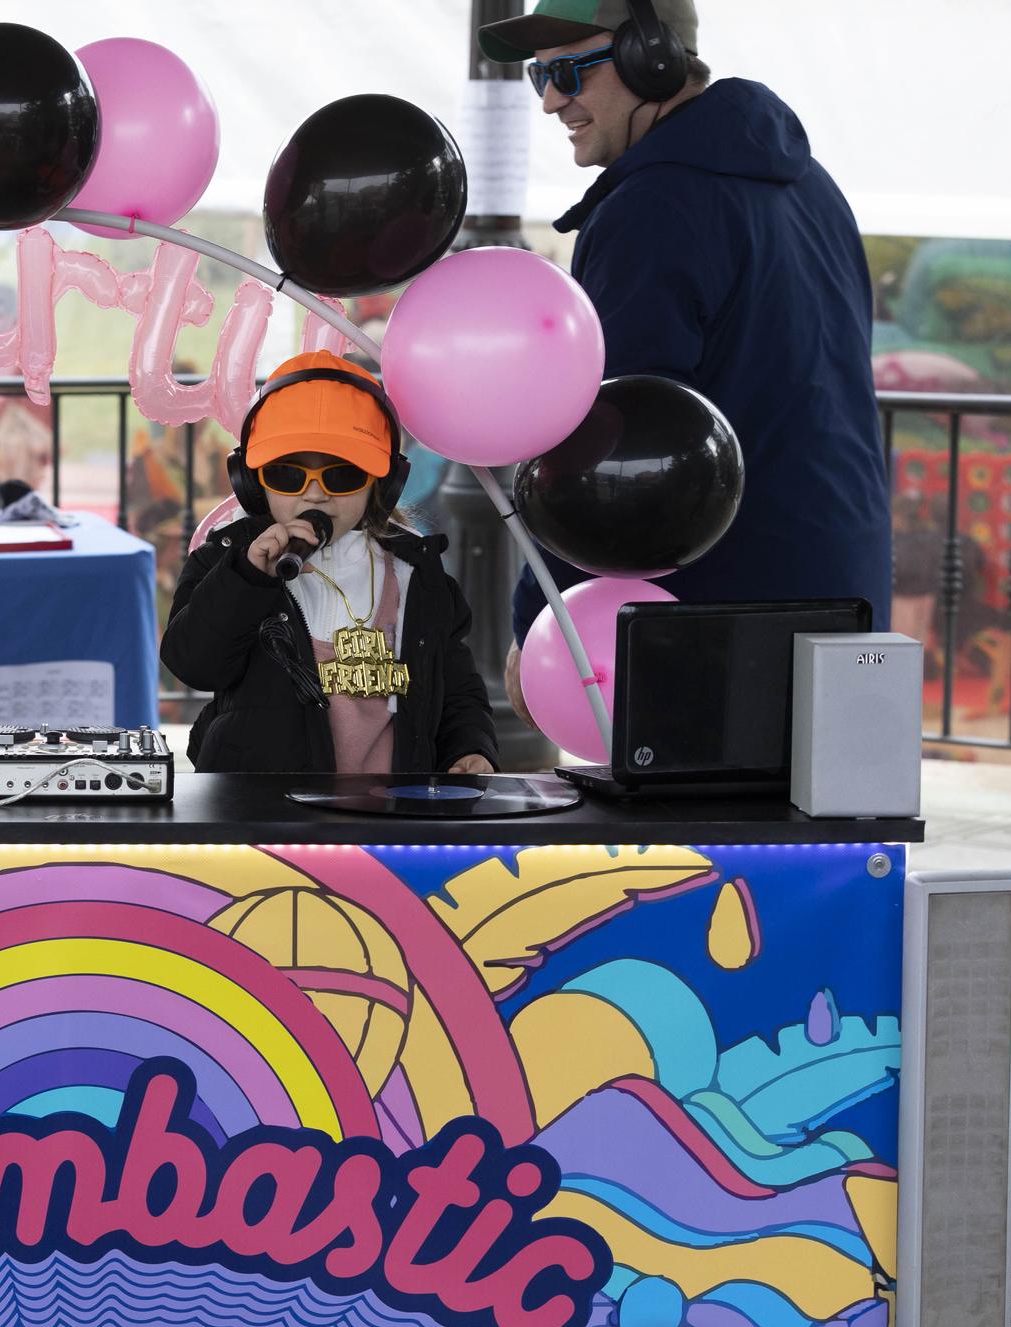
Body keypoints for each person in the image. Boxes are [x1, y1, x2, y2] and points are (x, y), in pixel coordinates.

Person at [480, 0, 892, 714]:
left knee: (686, 831)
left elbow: (608, 452)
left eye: (571, 71)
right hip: (844, 596)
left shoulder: (653, 208)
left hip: (713, 625)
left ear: (653, 57)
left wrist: (544, 617)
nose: (551, 101)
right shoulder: (814, 189)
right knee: (826, 826)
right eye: (537, 77)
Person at [161, 351, 498, 775]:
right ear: (251, 482)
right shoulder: (227, 562)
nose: (315, 494)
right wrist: (246, 580)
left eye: (342, 476)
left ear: (384, 485)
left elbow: (456, 689)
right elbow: (194, 663)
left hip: (390, 816)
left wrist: (469, 748)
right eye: (287, 475)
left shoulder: (416, 576)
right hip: (263, 812)